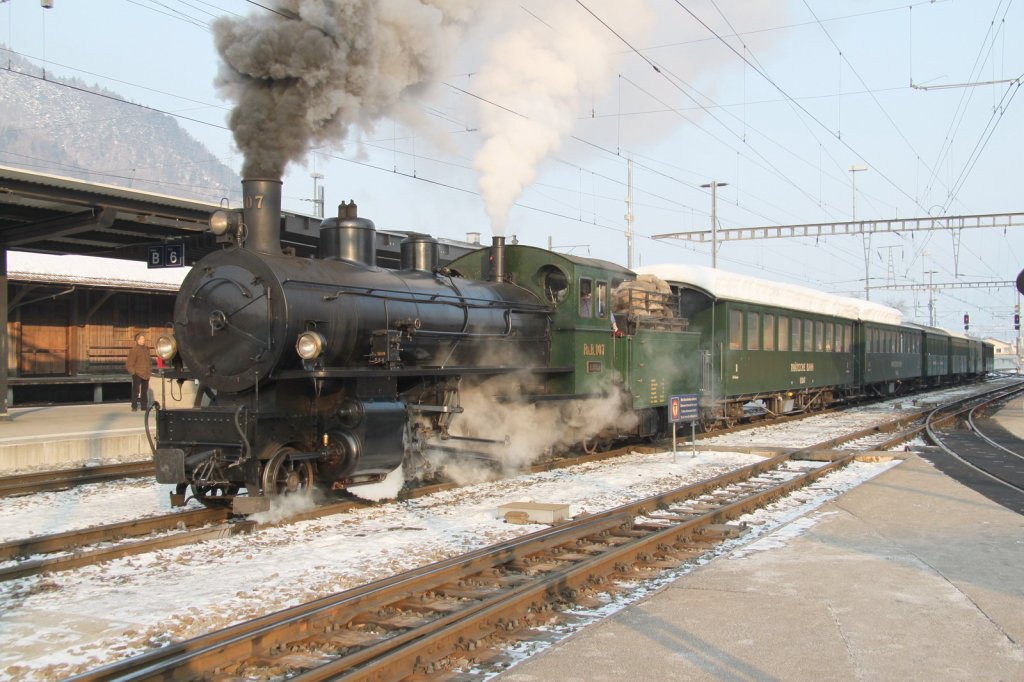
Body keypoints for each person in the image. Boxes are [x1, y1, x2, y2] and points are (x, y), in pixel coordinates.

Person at [126, 332, 153, 412]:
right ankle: (134, 406)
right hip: (137, 373)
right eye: (141, 339)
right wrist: (133, 373)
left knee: (144, 391)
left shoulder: (147, 349)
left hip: (146, 373)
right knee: (136, 391)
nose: (143, 340)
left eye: (143, 339)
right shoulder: (134, 350)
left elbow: (149, 361)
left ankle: (144, 406)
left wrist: (149, 370)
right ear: (137, 340)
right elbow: (129, 363)